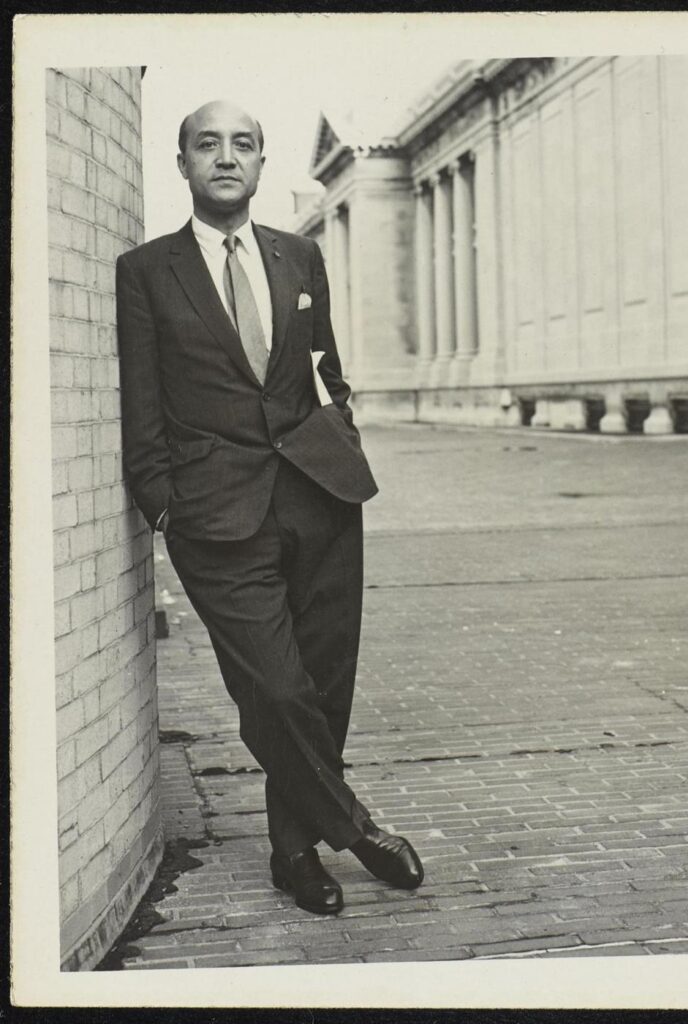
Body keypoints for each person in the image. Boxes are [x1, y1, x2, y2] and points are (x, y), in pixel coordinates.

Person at [115, 100, 423, 916]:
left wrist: (342, 437)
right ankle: (356, 830)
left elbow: (325, 367)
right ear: (181, 163)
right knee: (277, 692)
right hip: (215, 518)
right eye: (207, 145)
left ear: (259, 163)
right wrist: (163, 505)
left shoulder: (299, 255)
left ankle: (295, 855)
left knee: (322, 688)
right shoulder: (146, 272)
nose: (226, 157)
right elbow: (141, 408)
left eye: (242, 145)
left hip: (320, 498)